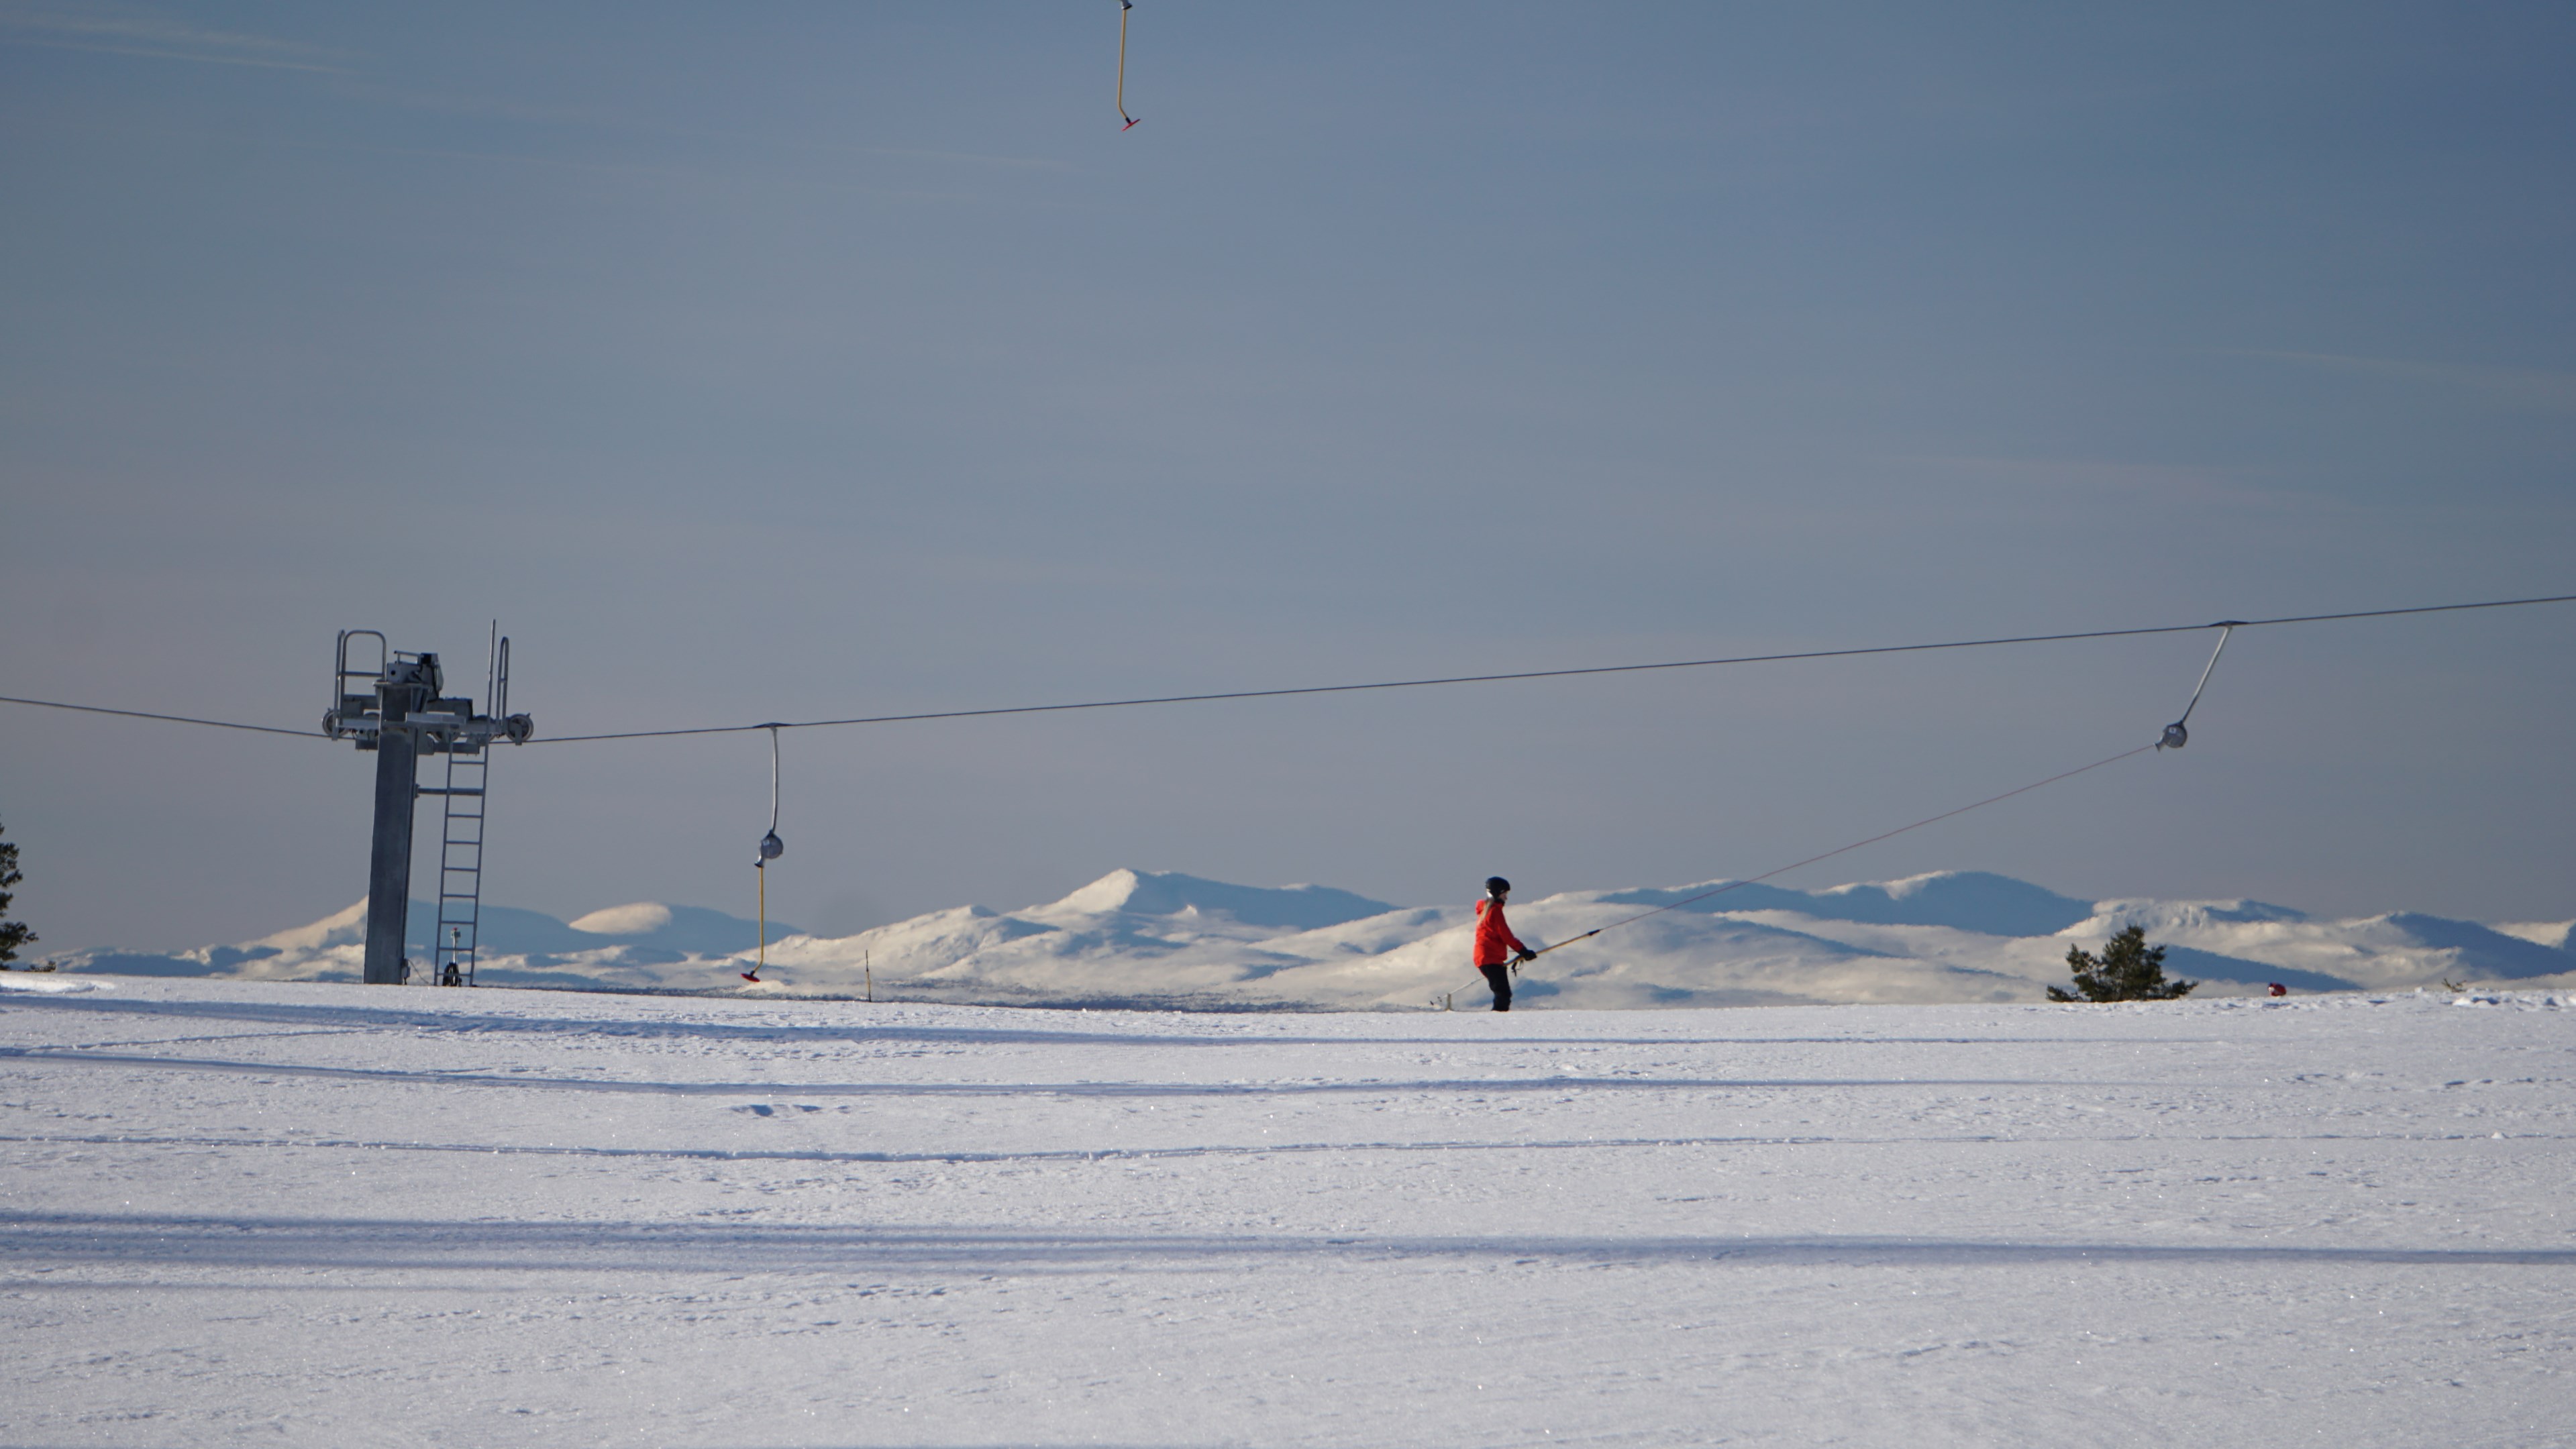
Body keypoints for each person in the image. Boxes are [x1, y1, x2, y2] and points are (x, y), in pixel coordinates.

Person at [1472, 875, 1539, 1012]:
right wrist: (1523, 951)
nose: (1506, 898)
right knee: (1503, 994)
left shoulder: (1486, 911)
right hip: (1490, 958)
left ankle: (1497, 1022)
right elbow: (1506, 936)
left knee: (1502, 993)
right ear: (1497, 893)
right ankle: (1495, 1025)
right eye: (1504, 894)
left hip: (1486, 958)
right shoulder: (1495, 912)